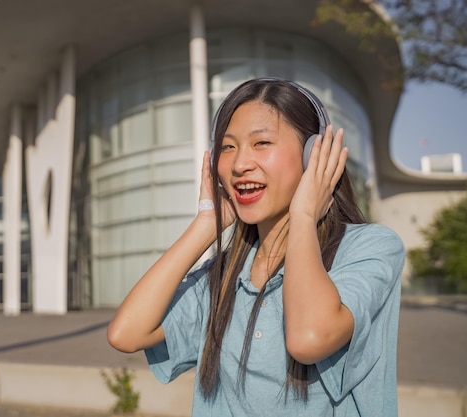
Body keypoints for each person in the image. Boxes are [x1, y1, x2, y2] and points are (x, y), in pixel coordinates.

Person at [107, 78, 405, 417]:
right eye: (228, 147)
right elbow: (126, 333)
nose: (239, 165)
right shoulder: (224, 274)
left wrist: (304, 215)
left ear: (314, 155)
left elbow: (309, 339)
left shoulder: (372, 248)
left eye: (261, 143)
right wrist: (206, 225)